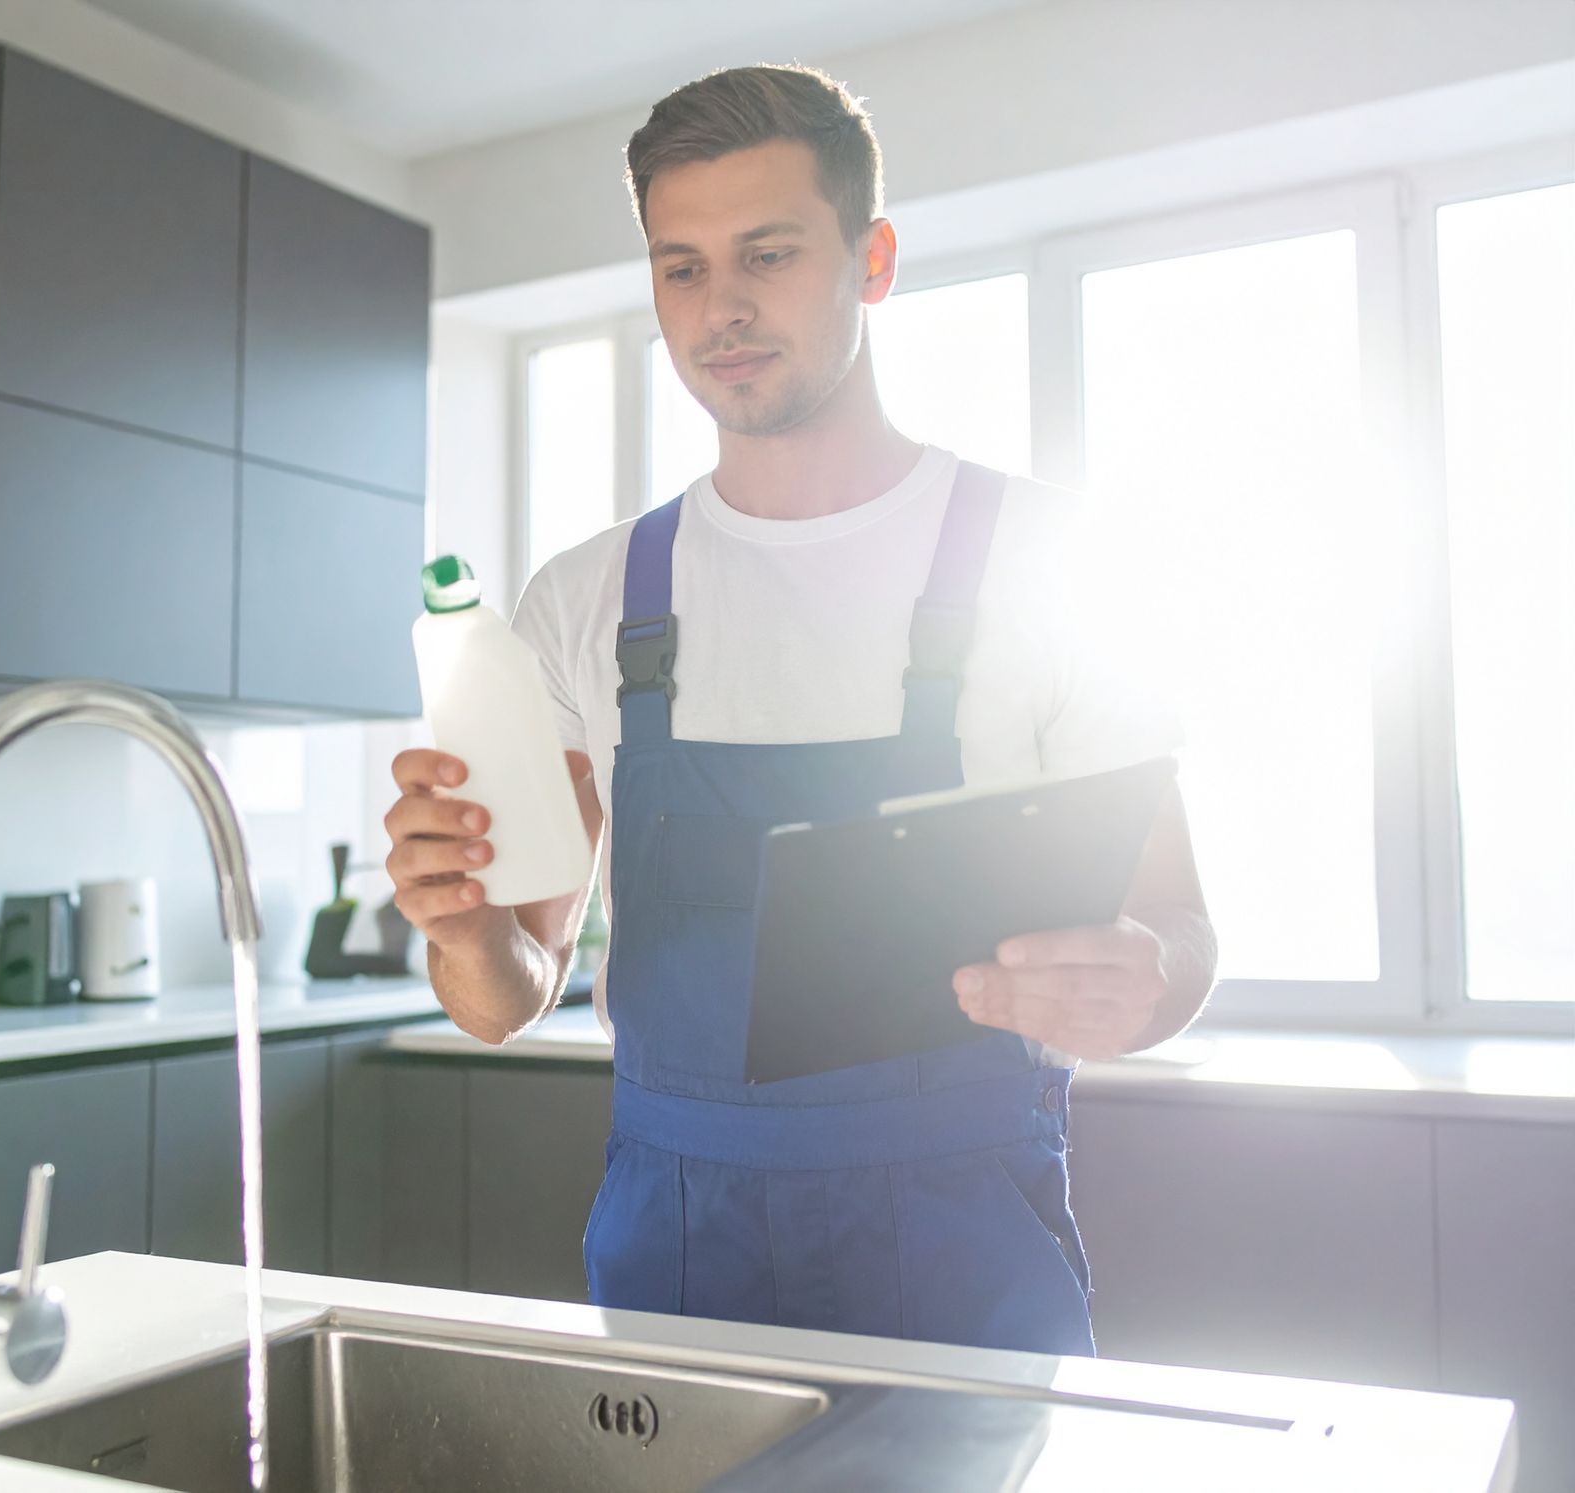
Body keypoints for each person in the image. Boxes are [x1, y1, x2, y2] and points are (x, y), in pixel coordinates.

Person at [384, 64, 1216, 1356]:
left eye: (767, 253)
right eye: (682, 268)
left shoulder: (1045, 561)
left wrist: (1146, 986)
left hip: (963, 1258)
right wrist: (463, 922)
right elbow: (507, 992)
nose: (723, 307)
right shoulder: (592, 598)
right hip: (674, 1257)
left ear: (872, 260)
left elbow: (1178, 925)